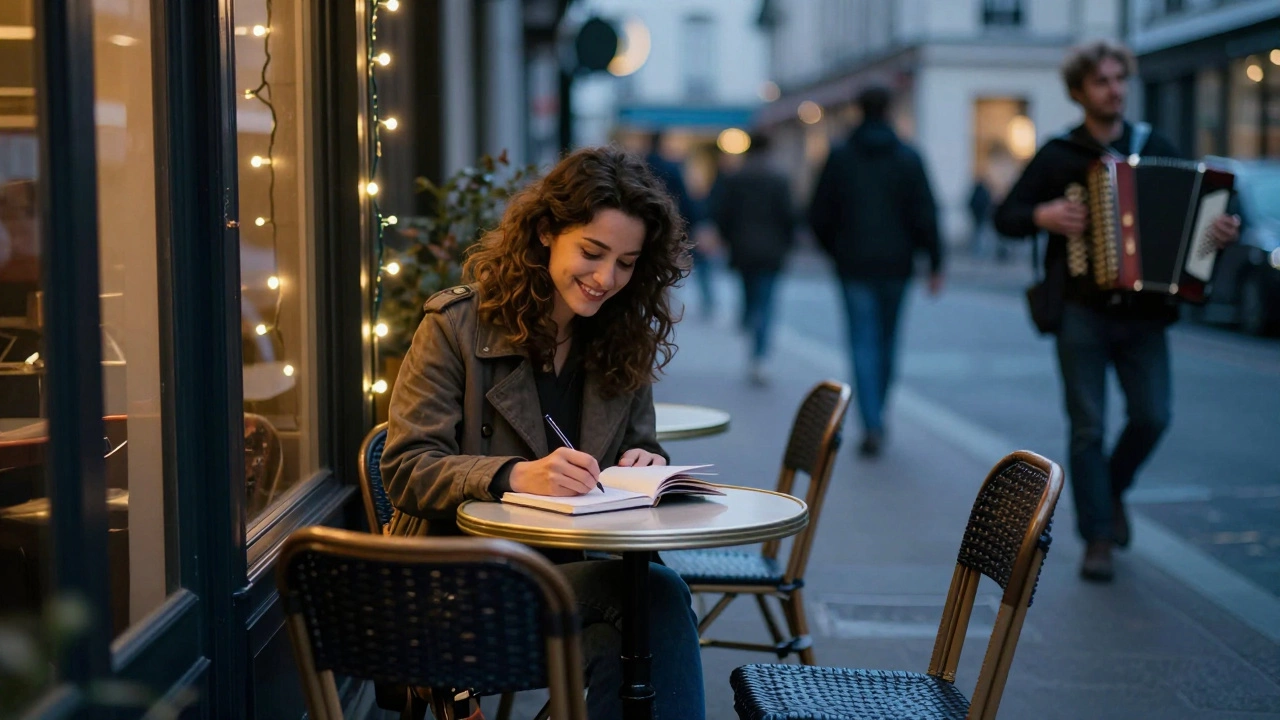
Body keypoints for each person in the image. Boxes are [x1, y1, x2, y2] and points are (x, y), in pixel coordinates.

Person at [380, 146, 705, 719]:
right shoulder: (456, 328)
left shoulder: (620, 337)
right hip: (460, 591)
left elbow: (643, 442)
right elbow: (406, 467)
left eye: (627, 263)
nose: (607, 278)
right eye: (593, 252)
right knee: (652, 603)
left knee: (635, 633)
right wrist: (513, 475)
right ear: (548, 231)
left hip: (565, 583)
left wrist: (644, 462)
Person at [993, 40, 1239, 583]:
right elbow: (1005, 217)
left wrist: (1219, 231)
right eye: (1102, 81)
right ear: (1080, 92)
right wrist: (1043, 213)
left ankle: (1109, 490)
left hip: (1147, 313)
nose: (1115, 89)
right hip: (1082, 309)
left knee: (1154, 416)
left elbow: (1204, 213)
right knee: (1087, 428)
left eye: (1119, 79)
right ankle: (1098, 538)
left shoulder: (1156, 144)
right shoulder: (1059, 154)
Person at [807, 84, 944, 458]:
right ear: (889, 109)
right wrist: (935, 261)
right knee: (887, 342)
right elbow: (926, 212)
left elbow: (818, 213)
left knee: (862, 343)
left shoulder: (840, 157)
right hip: (897, 264)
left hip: (853, 264)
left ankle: (871, 421)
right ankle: (878, 414)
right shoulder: (908, 157)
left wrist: (835, 250)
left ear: (858, 109)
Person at [708, 134, 795, 386]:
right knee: (766, 303)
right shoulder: (778, 179)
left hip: (744, 248)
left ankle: (753, 338)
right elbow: (789, 215)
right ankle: (760, 355)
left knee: (750, 299)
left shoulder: (737, 178)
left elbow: (724, 213)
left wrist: (727, 238)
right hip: (771, 251)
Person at [645, 131, 713, 318]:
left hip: (646, 225)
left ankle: (653, 303)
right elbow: (684, 198)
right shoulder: (671, 168)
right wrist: (696, 222)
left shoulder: (641, 166)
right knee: (697, 262)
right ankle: (707, 302)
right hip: (672, 224)